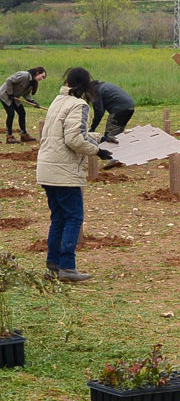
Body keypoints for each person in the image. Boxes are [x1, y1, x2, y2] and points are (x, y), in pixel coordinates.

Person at [36, 67, 114, 282]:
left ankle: (53, 267)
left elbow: (70, 133)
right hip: (63, 171)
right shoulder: (79, 105)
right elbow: (74, 140)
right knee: (73, 217)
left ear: (68, 83)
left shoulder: (57, 101)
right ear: (85, 86)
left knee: (59, 218)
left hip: (47, 168)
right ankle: (68, 268)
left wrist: (100, 137)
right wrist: (97, 151)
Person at [1, 67, 46, 143]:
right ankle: (9, 137)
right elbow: (9, 80)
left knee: (22, 113)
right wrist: (10, 93)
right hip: (5, 95)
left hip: (14, 97)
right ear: (37, 73)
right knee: (11, 114)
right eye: (42, 76)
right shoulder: (24, 75)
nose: (42, 79)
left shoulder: (32, 82)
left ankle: (24, 135)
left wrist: (33, 102)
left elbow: (26, 94)